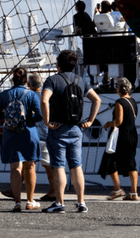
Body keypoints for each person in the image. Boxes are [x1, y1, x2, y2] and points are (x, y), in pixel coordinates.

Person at [41, 49, 99, 214]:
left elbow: (44, 100)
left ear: (58, 64)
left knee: (58, 166)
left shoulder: (53, 80)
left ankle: (59, 203)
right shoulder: (80, 80)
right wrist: (90, 120)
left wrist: (47, 121)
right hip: (76, 129)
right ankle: (81, 202)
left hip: (58, 129)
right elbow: (97, 100)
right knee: (76, 166)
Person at [0, 66, 42, 212]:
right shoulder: (31, 95)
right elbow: (39, 115)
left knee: (15, 168)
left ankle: (17, 202)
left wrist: (7, 119)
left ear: (12, 79)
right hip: (29, 132)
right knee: (30, 167)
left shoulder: (4, 95)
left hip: (10, 133)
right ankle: (30, 200)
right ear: (26, 80)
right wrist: (29, 119)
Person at [103, 77, 139, 201]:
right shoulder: (133, 101)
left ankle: (117, 189)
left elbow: (118, 121)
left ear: (118, 89)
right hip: (132, 134)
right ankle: (134, 192)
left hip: (121, 136)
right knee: (131, 163)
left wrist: (108, 123)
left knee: (110, 160)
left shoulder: (119, 102)